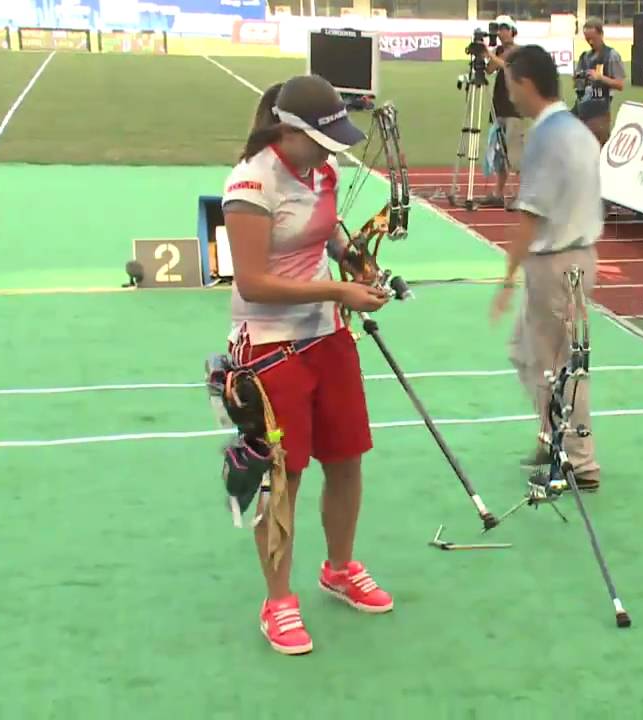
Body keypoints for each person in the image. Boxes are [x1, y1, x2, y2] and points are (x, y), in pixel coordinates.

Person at [221, 74, 395, 656]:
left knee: (346, 458)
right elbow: (253, 283)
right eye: (325, 139)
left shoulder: (323, 170)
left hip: (326, 338)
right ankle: (278, 601)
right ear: (291, 130)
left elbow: (331, 236)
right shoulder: (250, 183)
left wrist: (356, 262)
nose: (334, 150)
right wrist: (337, 291)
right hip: (269, 347)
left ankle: (339, 568)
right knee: (284, 478)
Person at [491, 45, 603, 490]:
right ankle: (552, 434)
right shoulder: (575, 129)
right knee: (526, 353)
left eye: (510, 83)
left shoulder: (546, 136)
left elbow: (531, 212)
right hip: (574, 256)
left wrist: (506, 278)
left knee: (560, 365)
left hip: (555, 261)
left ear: (525, 83)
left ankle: (579, 459)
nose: (508, 93)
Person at [484, 15, 523, 207]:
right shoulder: (498, 50)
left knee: (515, 155)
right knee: (499, 155)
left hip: (513, 108)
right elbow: (490, 70)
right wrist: (488, 54)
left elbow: (507, 67)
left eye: (504, 28)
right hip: (498, 106)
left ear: (512, 30)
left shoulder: (517, 51)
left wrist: (490, 55)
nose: (500, 32)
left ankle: (521, 196)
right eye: (498, 28)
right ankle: (498, 193)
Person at [572, 18, 626, 145]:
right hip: (582, 110)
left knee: (597, 150)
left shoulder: (611, 55)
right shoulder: (585, 56)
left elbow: (620, 84)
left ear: (601, 35)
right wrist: (577, 79)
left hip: (600, 113)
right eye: (587, 39)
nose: (590, 42)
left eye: (593, 38)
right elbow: (578, 86)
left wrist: (600, 78)